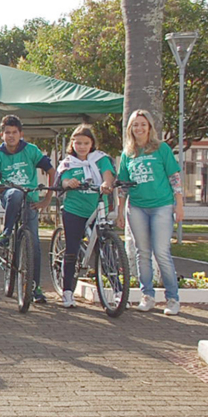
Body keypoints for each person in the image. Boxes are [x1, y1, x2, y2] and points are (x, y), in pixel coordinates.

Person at [114, 109, 182, 316]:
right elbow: (123, 185)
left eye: (143, 124)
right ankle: (148, 296)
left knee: (161, 252)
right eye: (135, 125)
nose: (139, 128)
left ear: (150, 127)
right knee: (142, 253)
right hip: (137, 208)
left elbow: (174, 178)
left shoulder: (161, 149)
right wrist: (119, 211)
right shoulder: (128, 153)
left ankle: (172, 299)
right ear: (130, 129)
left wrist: (179, 205)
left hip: (161, 206)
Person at [0, 114, 55, 304]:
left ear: (21, 134)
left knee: (33, 243)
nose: (11, 136)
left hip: (31, 201)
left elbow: (51, 171)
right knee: (15, 194)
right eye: (7, 132)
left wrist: (46, 199)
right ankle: (6, 233)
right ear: (1, 135)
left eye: (14, 132)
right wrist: (5, 187)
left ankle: (35, 287)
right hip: (10, 199)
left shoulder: (31, 151)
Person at [56, 124, 116, 308]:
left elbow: (108, 175)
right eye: (78, 143)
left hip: (98, 208)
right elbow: (62, 180)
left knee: (106, 252)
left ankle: (118, 290)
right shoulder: (67, 162)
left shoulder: (101, 159)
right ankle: (67, 292)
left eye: (86, 143)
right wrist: (68, 182)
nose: (81, 146)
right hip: (74, 210)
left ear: (92, 144)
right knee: (72, 250)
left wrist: (106, 183)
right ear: (72, 144)